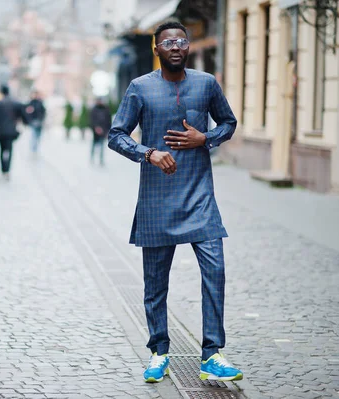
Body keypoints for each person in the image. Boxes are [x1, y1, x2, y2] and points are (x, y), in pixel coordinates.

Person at [107, 21, 243, 384]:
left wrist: (206, 138)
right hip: (156, 199)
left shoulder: (206, 84)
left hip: (200, 197)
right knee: (156, 283)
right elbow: (116, 135)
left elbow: (228, 123)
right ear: (156, 49)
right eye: (168, 42)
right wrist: (148, 153)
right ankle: (159, 351)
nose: (176, 46)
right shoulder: (140, 88)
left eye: (182, 41)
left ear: (188, 45)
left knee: (215, 272)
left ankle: (212, 354)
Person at [0, 85, 24, 180]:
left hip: (1, 131)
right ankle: (7, 170)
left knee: (2, 150)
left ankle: (3, 169)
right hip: (11, 132)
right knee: (9, 150)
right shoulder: (15, 103)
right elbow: (21, 115)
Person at [89, 97, 112, 166]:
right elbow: (91, 120)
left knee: (102, 146)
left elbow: (108, 120)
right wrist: (96, 127)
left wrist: (108, 130)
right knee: (93, 145)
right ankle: (92, 158)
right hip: (95, 132)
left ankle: (101, 160)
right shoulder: (94, 109)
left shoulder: (106, 109)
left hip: (103, 131)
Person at [24, 89, 46, 154]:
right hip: (33, 121)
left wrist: (42, 119)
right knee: (33, 135)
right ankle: (33, 148)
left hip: (39, 121)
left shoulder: (40, 102)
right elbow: (27, 112)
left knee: (38, 135)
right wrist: (29, 120)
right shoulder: (31, 103)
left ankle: (35, 147)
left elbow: (43, 111)